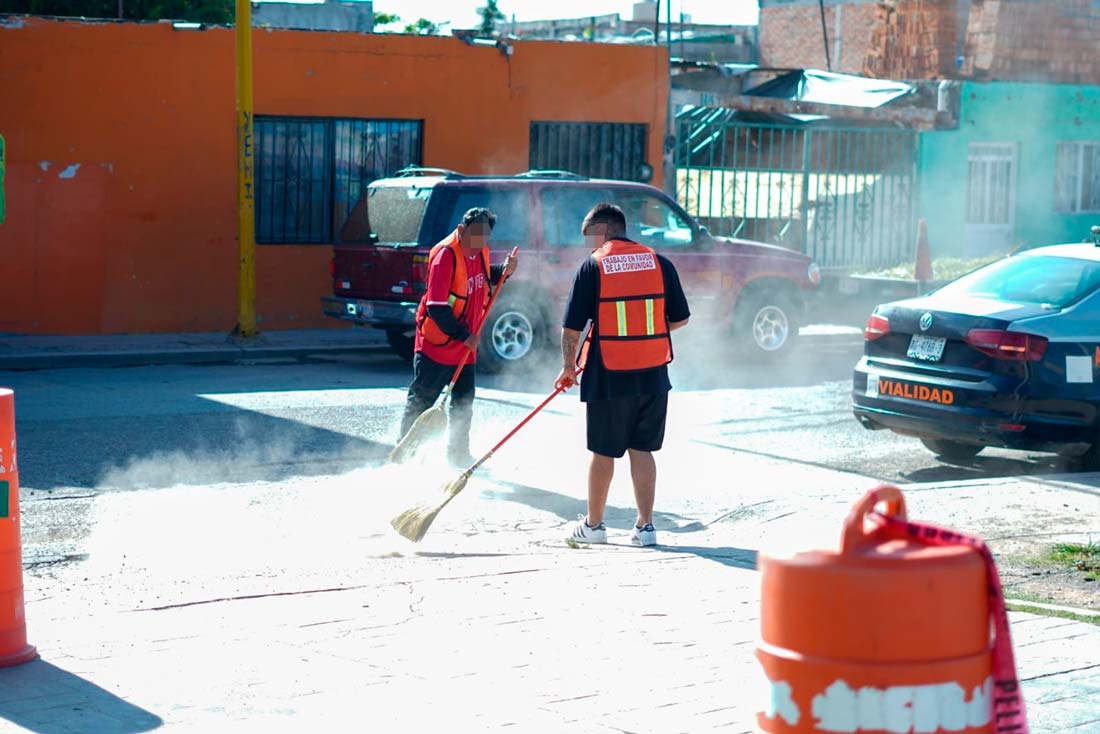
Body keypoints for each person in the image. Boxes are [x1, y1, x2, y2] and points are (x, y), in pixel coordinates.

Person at [556, 203, 690, 547]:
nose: (589, 245)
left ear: (603, 231)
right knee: (642, 450)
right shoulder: (660, 263)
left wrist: (568, 368)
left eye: (591, 237)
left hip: (609, 374)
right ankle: (645, 529)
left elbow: (572, 330)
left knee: (603, 453)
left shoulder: (594, 266)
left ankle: (594, 527)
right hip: (653, 374)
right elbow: (679, 318)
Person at [398, 207, 518, 466]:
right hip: (439, 346)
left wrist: (504, 272)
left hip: (465, 347)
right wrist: (464, 336)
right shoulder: (445, 256)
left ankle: (458, 455)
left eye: (484, 237)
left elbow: (484, 277)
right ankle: (404, 454)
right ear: (462, 230)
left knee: (463, 403)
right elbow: (436, 307)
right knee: (422, 400)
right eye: (474, 236)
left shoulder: (479, 251)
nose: (478, 243)